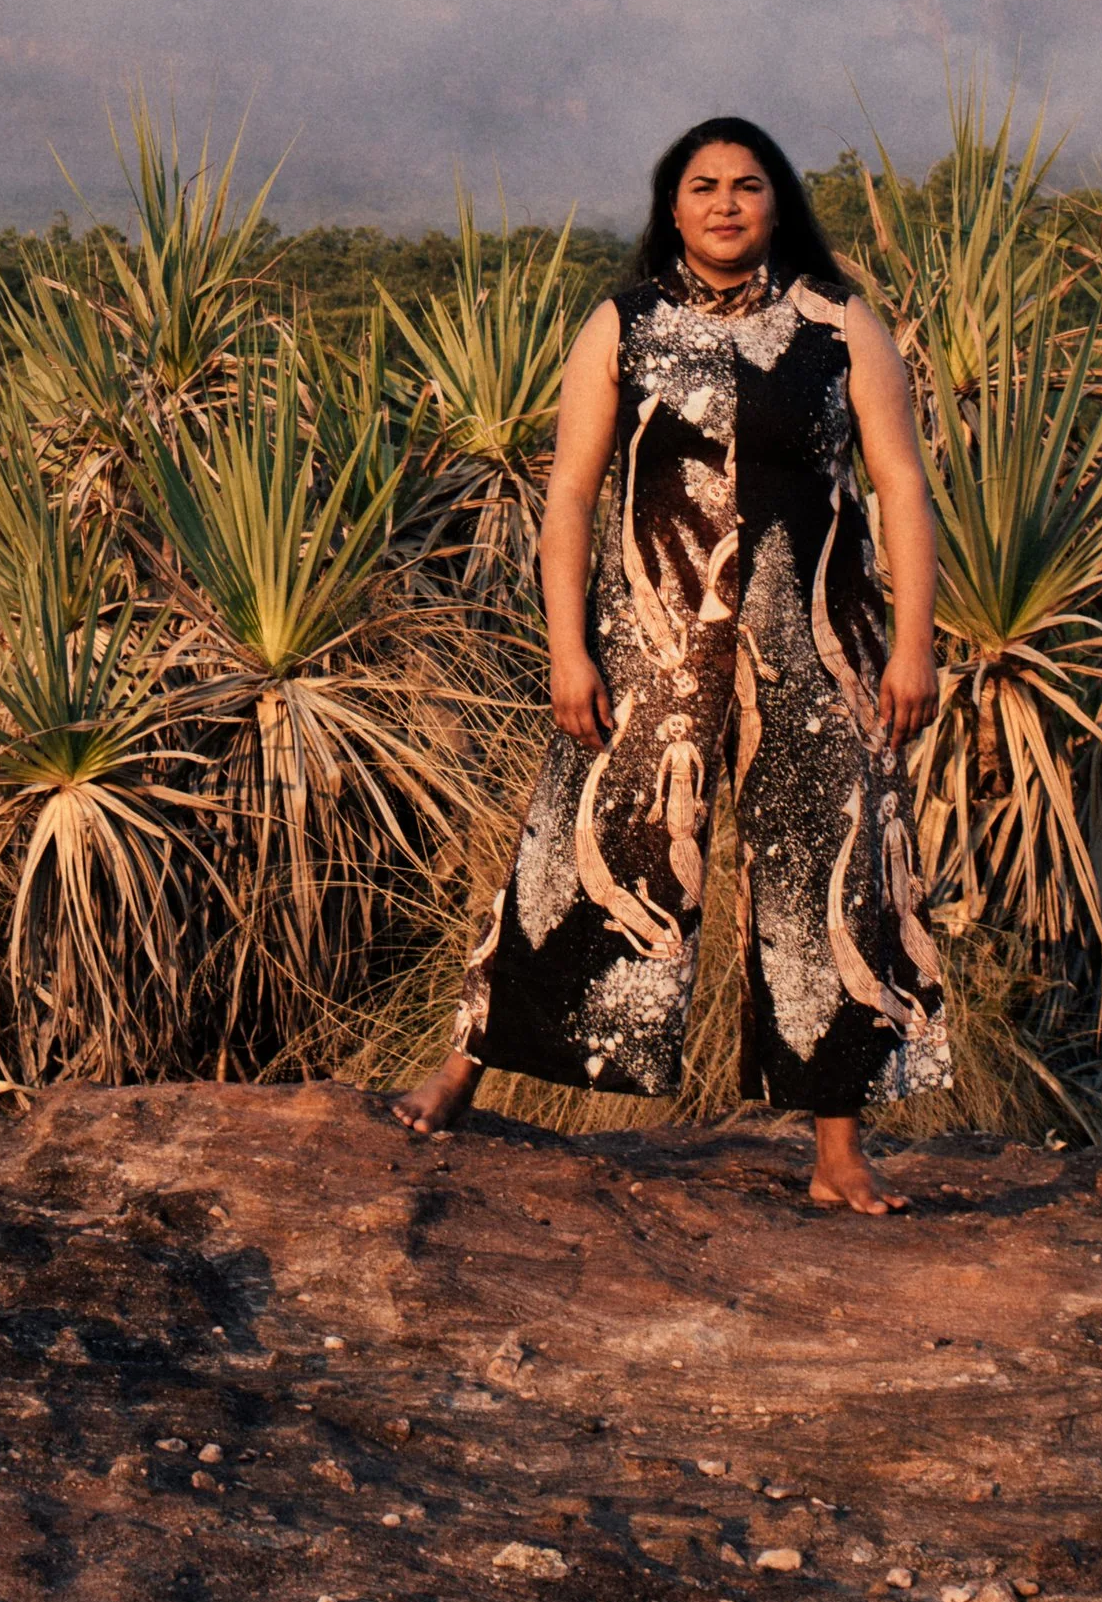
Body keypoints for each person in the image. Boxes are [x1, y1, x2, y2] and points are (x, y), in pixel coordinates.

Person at [391, 116, 951, 1212]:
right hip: (653, 640)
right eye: (704, 186)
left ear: (778, 201)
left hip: (818, 645)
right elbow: (567, 492)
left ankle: (836, 1150)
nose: (727, 203)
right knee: (587, 844)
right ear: (673, 203)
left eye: (747, 185)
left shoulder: (842, 325)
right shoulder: (623, 323)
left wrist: (917, 641)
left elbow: (900, 485)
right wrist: (566, 645)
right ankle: (463, 1063)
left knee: (828, 875)